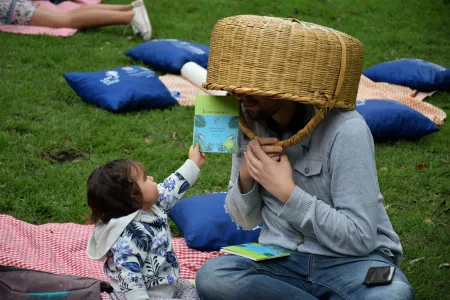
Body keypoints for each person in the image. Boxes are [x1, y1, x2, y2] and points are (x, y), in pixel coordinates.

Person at [195, 15, 415, 300]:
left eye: (254, 84)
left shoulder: (347, 129)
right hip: (279, 260)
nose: (239, 94)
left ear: (289, 82)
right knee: (215, 277)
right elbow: (245, 221)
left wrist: (286, 192)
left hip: (354, 263)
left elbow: (359, 238)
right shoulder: (247, 122)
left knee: (391, 296)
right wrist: (246, 177)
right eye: (238, 83)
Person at [86, 144, 205, 300]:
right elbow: (129, 277)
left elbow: (172, 187)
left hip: (164, 287)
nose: (152, 178)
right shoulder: (130, 237)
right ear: (134, 197)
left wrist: (193, 163)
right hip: (142, 296)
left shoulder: (151, 206)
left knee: (188, 287)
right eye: (144, 178)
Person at [0, 0, 152, 40]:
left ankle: (130, 16)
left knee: (65, 19)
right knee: (70, 14)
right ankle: (130, 8)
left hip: (6, 7)